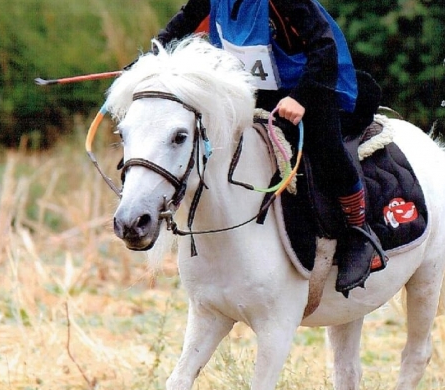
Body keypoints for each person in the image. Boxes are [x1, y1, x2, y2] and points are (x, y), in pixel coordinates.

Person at [153, 0, 387, 296]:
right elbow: (183, 23)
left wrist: (300, 98)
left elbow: (324, 48)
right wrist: (149, 61)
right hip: (256, 90)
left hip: (313, 83)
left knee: (326, 148)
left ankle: (359, 233)